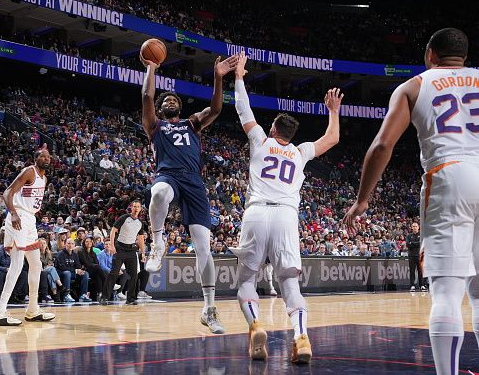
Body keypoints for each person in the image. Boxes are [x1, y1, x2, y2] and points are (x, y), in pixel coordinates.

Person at [343, 28, 479, 375]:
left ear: (431, 53)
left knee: (447, 293)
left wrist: (362, 199)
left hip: (449, 175)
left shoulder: (414, 86)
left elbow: (382, 146)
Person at [231, 52, 343, 362]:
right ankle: (301, 337)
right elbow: (332, 138)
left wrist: (239, 76)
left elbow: (243, 109)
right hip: (285, 215)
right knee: (289, 284)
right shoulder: (301, 151)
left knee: (246, 282)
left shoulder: (260, 140)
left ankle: (255, 325)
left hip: (256, 212)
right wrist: (333, 111)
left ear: (273, 129)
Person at [140, 49, 238, 333]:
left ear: (180, 109)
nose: (170, 101)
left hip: (194, 181)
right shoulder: (154, 125)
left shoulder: (192, 123)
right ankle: (158, 242)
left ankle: (209, 309)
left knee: (204, 249)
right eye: (166, 100)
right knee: (158, 193)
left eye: (175, 100)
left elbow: (216, 109)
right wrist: (151, 68)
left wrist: (219, 79)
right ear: (160, 109)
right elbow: (147, 97)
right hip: (168, 175)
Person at [0, 149, 55, 326]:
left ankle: (33, 309)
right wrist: (14, 213)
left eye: (48, 157)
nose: (46, 159)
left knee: (36, 264)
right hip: (18, 217)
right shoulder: (29, 171)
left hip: (30, 219)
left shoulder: (44, 178)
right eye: (42, 156)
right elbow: (7, 193)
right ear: (35, 158)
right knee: (17, 264)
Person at [100, 200, 145, 305]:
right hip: (120, 248)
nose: (136, 208)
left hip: (131, 250)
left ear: (140, 209)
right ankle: (104, 297)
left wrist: (143, 252)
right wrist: (112, 245)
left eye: (138, 206)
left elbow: (141, 238)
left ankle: (130, 298)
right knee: (114, 273)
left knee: (134, 275)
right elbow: (113, 231)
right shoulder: (124, 218)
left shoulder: (140, 223)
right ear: (131, 207)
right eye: (134, 206)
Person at [406, 222, 426, 291]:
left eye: (416, 226)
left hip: (420, 255)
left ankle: (422, 285)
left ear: (418, 227)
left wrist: (412, 243)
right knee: (412, 271)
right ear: (411, 227)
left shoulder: (421, 235)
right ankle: (412, 285)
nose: (414, 227)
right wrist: (416, 243)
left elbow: (421, 244)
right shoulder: (409, 236)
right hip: (411, 256)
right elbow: (407, 244)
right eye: (413, 226)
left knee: (420, 271)